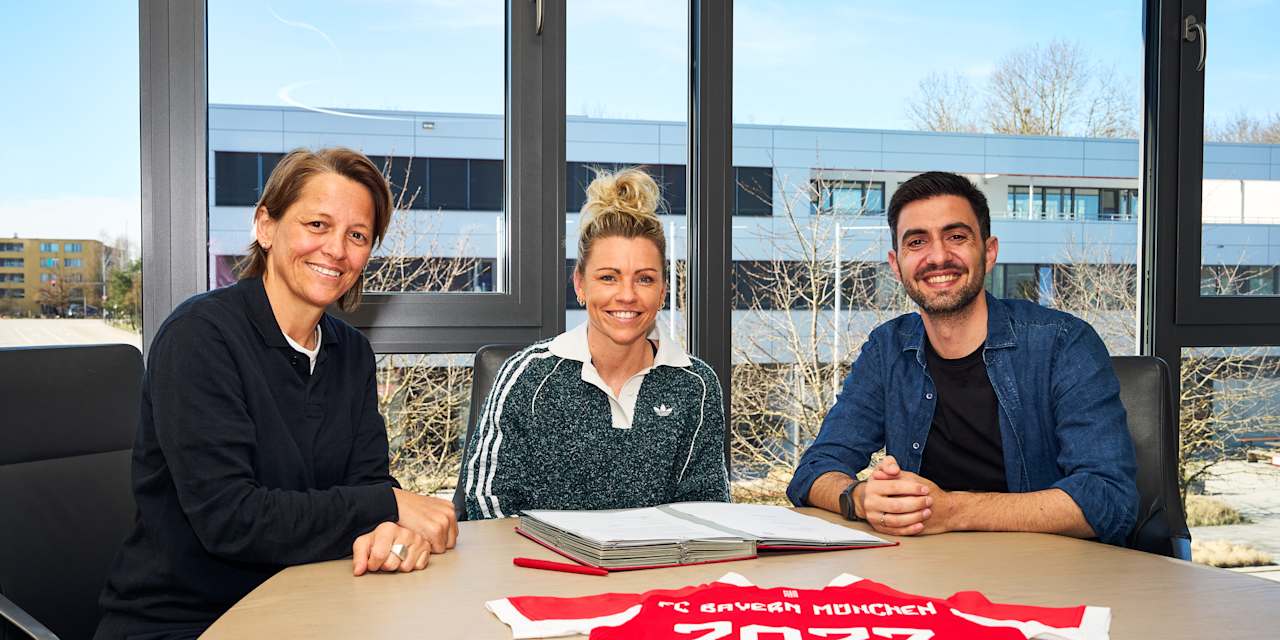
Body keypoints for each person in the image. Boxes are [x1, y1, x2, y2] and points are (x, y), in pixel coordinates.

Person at [96, 148, 458, 640]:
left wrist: (389, 534)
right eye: (317, 225)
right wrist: (387, 508)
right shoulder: (200, 338)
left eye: (357, 236)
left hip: (315, 606)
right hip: (188, 622)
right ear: (265, 226)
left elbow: (367, 484)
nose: (336, 249)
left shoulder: (351, 352)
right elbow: (231, 518)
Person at [786, 171, 1138, 546]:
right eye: (917, 242)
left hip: (1044, 576)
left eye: (956, 237)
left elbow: (1109, 499)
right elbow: (814, 471)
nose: (938, 257)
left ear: (988, 251)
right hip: (923, 575)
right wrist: (859, 498)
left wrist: (953, 511)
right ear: (896, 263)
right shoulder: (887, 348)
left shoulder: (1063, 343)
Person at [462, 167, 729, 520]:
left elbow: (709, 510)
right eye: (608, 277)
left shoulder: (697, 384)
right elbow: (486, 502)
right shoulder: (527, 375)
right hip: (543, 570)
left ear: (663, 290)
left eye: (645, 279)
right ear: (580, 284)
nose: (627, 295)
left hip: (658, 571)